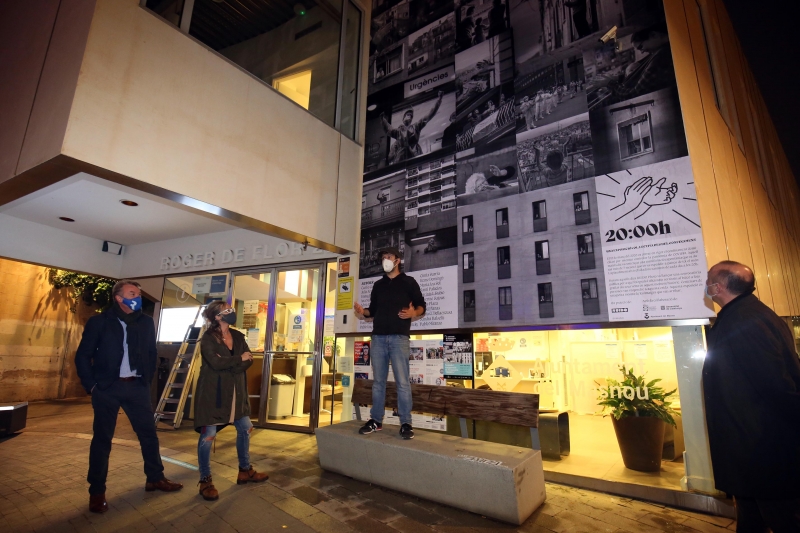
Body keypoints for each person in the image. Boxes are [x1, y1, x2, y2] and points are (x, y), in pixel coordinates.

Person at [702, 261, 800, 531]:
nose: (706, 284)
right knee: (751, 514)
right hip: (751, 446)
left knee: (781, 517)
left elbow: (776, 385)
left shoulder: (744, 321)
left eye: (709, 279)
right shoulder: (749, 314)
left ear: (718, 287)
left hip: (762, 446)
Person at [75, 280, 183, 514]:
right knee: (102, 440)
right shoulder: (99, 322)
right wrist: (92, 386)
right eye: (132, 293)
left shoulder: (145, 322)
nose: (138, 296)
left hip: (136, 387)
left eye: (139, 293)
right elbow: (83, 356)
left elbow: (151, 352)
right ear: (118, 297)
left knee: (148, 435)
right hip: (107, 388)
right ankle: (97, 492)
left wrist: (146, 378)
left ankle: (155, 478)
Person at [193, 301, 268, 501]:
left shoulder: (237, 336)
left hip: (236, 391)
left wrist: (236, 363)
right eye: (227, 310)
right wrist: (238, 359)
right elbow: (215, 362)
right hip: (213, 393)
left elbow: (249, 358)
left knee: (245, 428)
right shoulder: (208, 338)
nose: (232, 312)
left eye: (231, 309)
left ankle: (245, 470)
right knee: (208, 435)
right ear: (217, 316)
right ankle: (205, 480)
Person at [353, 247, 426, 439]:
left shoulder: (409, 282)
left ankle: (406, 423)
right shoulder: (378, 285)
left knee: (403, 383)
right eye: (383, 257)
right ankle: (376, 420)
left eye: (389, 257)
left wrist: (413, 313)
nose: (385, 259)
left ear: (397, 260)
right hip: (378, 338)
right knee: (378, 383)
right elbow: (373, 311)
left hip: (399, 338)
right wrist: (363, 311)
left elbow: (421, 306)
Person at [381, 91, 444, 164]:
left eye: (411, 116)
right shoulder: (398, 132)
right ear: (403, 118)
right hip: (401, 162)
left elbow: (429, 115)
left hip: (415, 159)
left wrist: (439, 101)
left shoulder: (416, 127)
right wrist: (383, 119)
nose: (410, 116)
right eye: (408, 114)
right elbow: (388, 129)